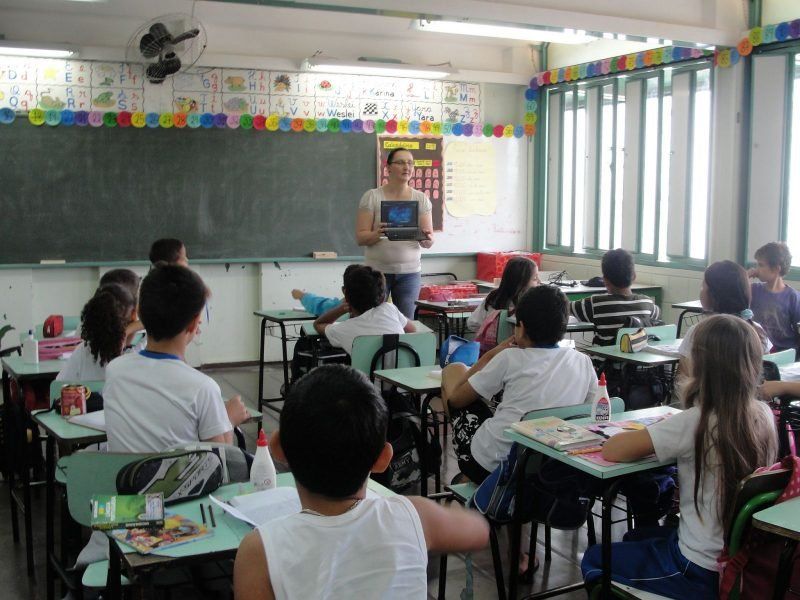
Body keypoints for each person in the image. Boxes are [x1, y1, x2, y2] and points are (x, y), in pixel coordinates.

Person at [233, 364, 489, 600]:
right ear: (382, 459)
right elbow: (478, 530)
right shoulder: (415, 516)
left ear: (278, 448)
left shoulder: (258, 552)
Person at [581, 315, 778, 598]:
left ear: (701, 366)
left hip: (695, 568)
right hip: (737, 560)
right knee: (635, 537)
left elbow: (613, 449)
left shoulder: (697, 421)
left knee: (596, 557)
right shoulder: (764, 416)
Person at [441, 285, 597, 483]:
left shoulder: (509, 357)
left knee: (453, 370)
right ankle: (473, 482)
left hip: (494, 463)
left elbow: (456, 400)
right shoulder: (583, 361)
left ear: (521, 327)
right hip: (551, 466)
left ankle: (470, 477)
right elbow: (592, 412)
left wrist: (490, 355)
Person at [104, 264, 249, 452]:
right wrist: (228, 419)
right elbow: (220, 457)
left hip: (123, 472)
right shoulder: (203, 388)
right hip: (178, 473)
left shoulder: (115, 370)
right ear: (194, 324)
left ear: (140, 314)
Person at [355, 148, 434, 319]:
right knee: (372, 320)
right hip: (377, 273)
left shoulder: (420, 199)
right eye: (400, 162)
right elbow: (361, 238)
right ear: (388, 167)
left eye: (410, 163)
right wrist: (377, 234)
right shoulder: (372, 197)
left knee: (405, 322)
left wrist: (426, 238)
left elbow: (428, 242)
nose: (407, 167)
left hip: (409, 274)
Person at [679, 260, 772, 364]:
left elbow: (684, 371)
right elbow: (766, 369)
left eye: (702, 286)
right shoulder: (756, 330)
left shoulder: (697, 332)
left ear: (713, 295)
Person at [314, 264, 414, 355]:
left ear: (345, 294)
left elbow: (318, 324)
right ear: (382, 297)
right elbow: (412, 329)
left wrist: (341, 309)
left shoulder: (344, 329)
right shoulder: (389, 309)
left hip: (364, 371)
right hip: (403, 369)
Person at [570, 248, 661, 346]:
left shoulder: (595, 304)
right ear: (634, 276)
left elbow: (563, 307)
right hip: (637, 355)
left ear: (605, 280)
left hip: (602, 356)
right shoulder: (649, 305)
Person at [56, 283, 138, 381]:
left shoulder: (84, 351)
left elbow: (58, 386)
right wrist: (129, 330)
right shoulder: (135, 355)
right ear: (134, 315)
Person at [466, 255, 540, 341]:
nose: (539, 281)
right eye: (535, 278)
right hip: (516, 347)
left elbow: (472, 323)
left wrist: (488, 333)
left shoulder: (493, 296)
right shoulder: (529, 303)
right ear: (521, 282)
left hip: (492, 347)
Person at [748, 242, 800, 357]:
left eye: (761, 265)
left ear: (776, 269)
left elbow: (798, 330)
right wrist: (745, 277)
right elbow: (735, 300)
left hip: (784, 353)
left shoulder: (793, 297)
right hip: (759, 351)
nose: (756, 269)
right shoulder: (753, 290)